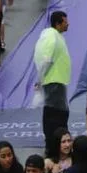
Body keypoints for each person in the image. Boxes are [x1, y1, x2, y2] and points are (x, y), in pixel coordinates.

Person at [34, 11, 71, 144]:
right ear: (58, 24)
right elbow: (47, 60)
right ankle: (57, 140)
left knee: (51, 111)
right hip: (54, 82)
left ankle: (53, 139)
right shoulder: (52, 38)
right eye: (65, 22)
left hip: (54, 81)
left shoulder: (52, 35)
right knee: (58, 113)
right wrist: (40, 79)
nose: (68, 24)